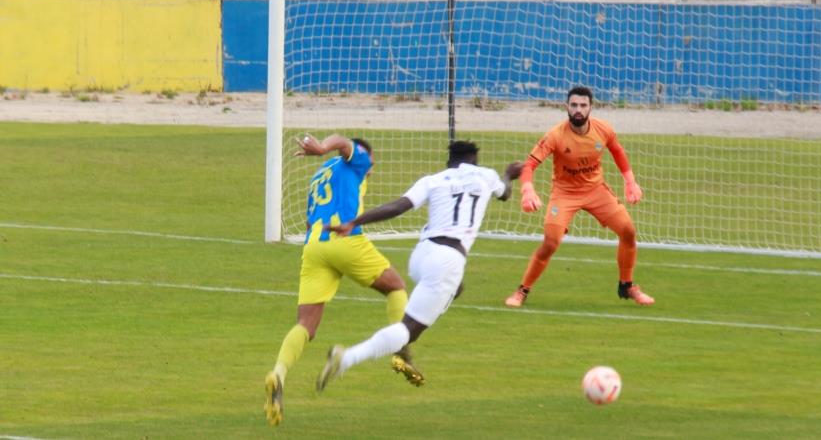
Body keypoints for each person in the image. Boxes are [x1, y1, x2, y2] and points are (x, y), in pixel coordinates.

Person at [315, 141, 522, 392]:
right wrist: (510, 175)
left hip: (422, 256)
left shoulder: (433, 180)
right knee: (407, 331)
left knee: (452, 288)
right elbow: (505, 193)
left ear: (450, 162)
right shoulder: (487, 176)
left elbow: (398, 206)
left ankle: (438, 300)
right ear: (474, 160)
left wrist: (354, 222)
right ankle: (346, 358)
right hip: (448, 259)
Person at [264, 133, 421, 428]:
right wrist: (324, 146)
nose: (371, 170)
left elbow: (311, 218)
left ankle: (279, 374)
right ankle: (401, 352)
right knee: (396, 287)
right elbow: (343, 141)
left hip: (313, 246)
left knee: (306, 326)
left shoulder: (321, 175)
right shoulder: (356, 158)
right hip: (344, 238)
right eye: (372, 163)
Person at [504, 85, 655, 308]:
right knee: (550, 243)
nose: (578, 109)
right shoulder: (555, 135)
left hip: (596, 191)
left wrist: (630, 181)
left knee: (628, 231)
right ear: (566, 107)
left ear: (590, 108)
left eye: (583, 105)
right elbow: (530, 165)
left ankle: (627, 286)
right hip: (564, 194)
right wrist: (528, 190)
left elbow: (617, 151)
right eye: (574, 105)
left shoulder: (603, 129)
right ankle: (522, 291)